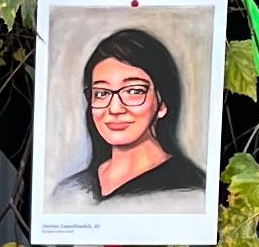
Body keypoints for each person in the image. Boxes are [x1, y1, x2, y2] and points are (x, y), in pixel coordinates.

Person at [52, 23, 204, 213]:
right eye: (102, 93)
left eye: (134, 91)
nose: (115, 108)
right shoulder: (70, 192)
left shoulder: (190, 191)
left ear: (162, 103)